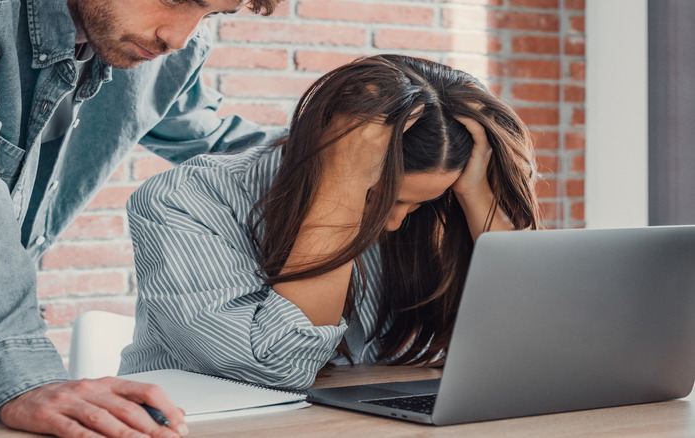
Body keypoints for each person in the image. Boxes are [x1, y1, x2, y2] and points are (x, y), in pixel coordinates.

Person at [0, 0, 284, 436]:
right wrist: (27, 376)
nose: (179, 38)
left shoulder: (157, 51)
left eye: (212, 14)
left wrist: (346, 156)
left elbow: (218, 139)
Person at [119, 55, 542, 388]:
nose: (394, 224)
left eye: (413, 206)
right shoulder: (185, 201)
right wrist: (342, 188)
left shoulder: (434, 210)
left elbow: (533, 345)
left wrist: (480, 200)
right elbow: (276, 371)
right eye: (380, 200)